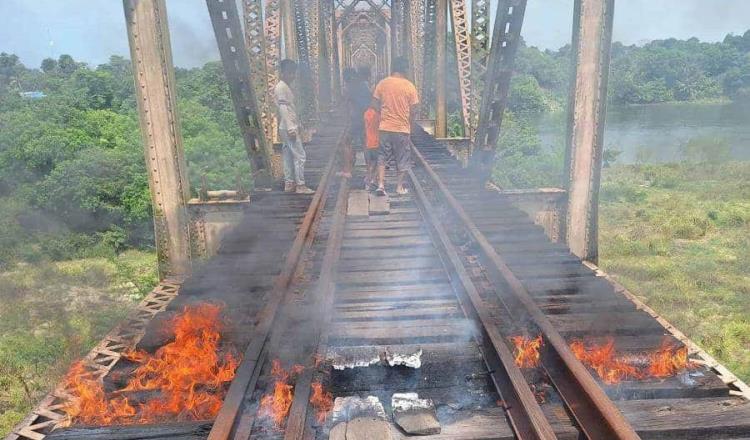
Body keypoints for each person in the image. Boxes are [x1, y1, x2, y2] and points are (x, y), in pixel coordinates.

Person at [372, 57, 419, 196]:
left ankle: (380, 185)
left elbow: (374, 104)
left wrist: (383, 114)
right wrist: (409, 120)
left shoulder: (383, 83)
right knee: (402, 157)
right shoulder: (409, 86)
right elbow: (415, 109)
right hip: (401, 128)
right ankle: (399, 187)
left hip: (385, 127)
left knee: (382, 156)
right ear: (405, 69)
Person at [274, 59, 314, 194]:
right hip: (288, 127)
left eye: (293, 73)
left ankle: (289, 183)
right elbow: (283, 108)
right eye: (290, 73)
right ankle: (301, 185)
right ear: (283, 72)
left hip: (285, 126)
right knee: (300, 155)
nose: (293, 76)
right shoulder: (281, 87)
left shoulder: (284, 86)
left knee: (287, 154)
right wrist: (291, 127)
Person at [340, 66, 372, 179]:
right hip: (365, 118)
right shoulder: (364, 85)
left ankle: (347, 170)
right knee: (365, 145)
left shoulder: (349, 87)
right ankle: (369, 172)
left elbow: (346, 104)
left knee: (346, 142)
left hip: (355, 119)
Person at [363, 104, 381, 190]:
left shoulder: (366, 113)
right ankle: (373, 179)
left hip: (368, 142)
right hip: (377, 143)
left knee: (370, 164)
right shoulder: (379, 115)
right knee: (378, 162)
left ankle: (368, 180)